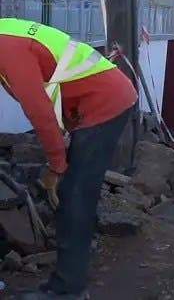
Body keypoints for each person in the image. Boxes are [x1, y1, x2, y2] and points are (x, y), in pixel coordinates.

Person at [0, 18, 137, 300]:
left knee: (74, 196)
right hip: (93, 100)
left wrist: (56, 165)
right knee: (76, 194)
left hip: (104, 103)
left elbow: (39, 112)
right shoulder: (6, 33)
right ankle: (70, 271)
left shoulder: (8, 49)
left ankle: (69, 289)